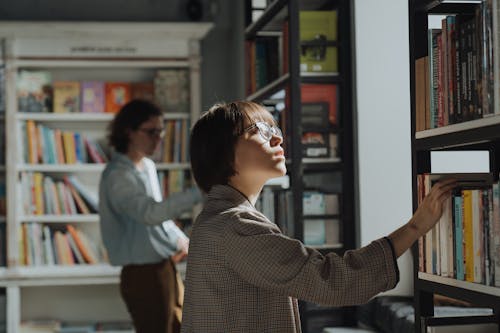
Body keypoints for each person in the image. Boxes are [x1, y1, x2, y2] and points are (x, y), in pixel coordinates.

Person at [181, 101, 456, 332]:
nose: (277, 138)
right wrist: (415, 227)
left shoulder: (218, 221)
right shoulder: (233, 226)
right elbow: (329, 280)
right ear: (223, 150)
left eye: (274, 128)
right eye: (260, 130)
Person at [99, 99, 202, 333]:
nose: (159, 138)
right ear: (129, 131)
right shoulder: (117, 176)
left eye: (161, 131)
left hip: (164, 267)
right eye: (151, 131)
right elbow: (149, 213)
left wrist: (177, 238)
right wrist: (200, 192)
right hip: (142, 274)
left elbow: (159, 217)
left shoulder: (147, 166)